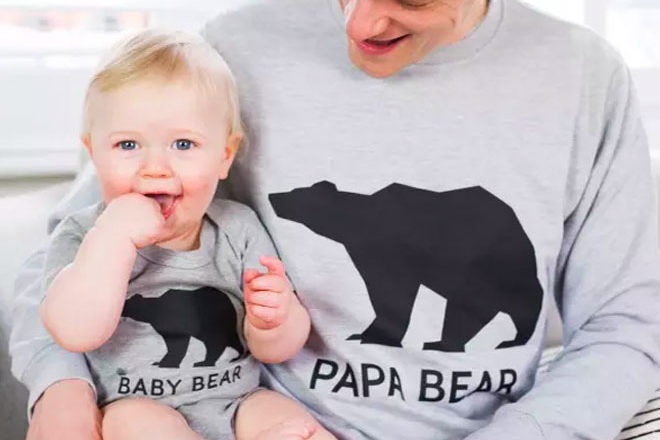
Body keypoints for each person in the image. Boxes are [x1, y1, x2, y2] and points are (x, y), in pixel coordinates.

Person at [10, 0, 660, 439]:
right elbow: (75, 251)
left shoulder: (581, 79)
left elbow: (628, 323)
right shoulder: (236, 50)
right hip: (267, 420)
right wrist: (57, 388)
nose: (358, 21)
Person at [25, 29, 336, 440]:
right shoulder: (82, 234)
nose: (156, 168)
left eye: (184, 144)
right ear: (94, 152)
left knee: (287, 422)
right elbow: (74, 331)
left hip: (238, 401)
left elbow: (277, 349)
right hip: (136, 406)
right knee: (131, 425)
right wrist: (113, 238)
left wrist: (274, 320)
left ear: (225, 155)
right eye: (128, 144)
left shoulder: (236, 227)